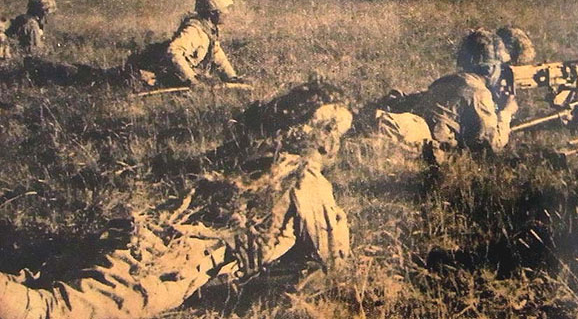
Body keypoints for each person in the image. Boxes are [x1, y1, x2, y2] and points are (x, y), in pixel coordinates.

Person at [0, 95, 352, 319]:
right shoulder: (306, 181)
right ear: (326, 139)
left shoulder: (253, 157)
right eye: (338, 136)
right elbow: (334, 264)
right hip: (164, 264)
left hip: (139, 236)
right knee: (47, 310)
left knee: (34, 282)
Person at [21, 0, 240, 90]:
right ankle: (41, 68)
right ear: (213, 11)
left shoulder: (208, 30)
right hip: (144, 73)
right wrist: (191, 80)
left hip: (155, 74)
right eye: (225, 9)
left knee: (94, 76)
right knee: (90, 78)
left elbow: (216, 54)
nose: (228, 14)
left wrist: (232, 77)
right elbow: (173, 51)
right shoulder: (195, 30)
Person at [375, 28, 531, 156]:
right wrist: (506, 113)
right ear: (491, 69)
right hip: (414, 141)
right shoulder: (479, 92)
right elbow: (492, 145)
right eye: (499, 66)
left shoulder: (447, 80)